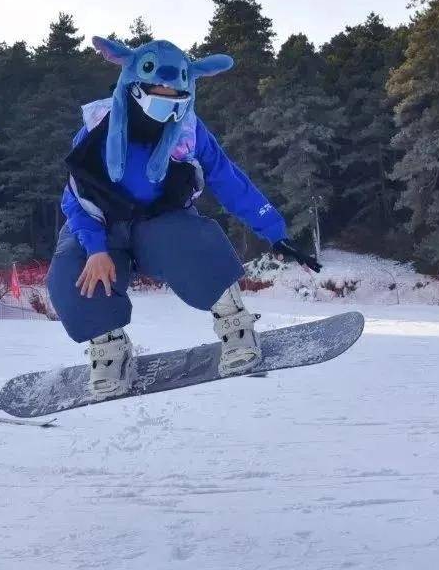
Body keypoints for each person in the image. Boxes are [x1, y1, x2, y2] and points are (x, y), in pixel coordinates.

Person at [47, 37, 321, 399]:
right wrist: (96, 248)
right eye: (158, 95)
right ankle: (110, 346)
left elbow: (228, 179)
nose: (167, 106)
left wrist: (274, 230)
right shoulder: (97, 129)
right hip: (99, 226)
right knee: (73, 269)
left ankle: (235, 323)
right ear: (135, 88)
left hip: (159, 223)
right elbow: (75, 199)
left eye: (174, 98)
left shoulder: (189, 133)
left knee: (191, 239)